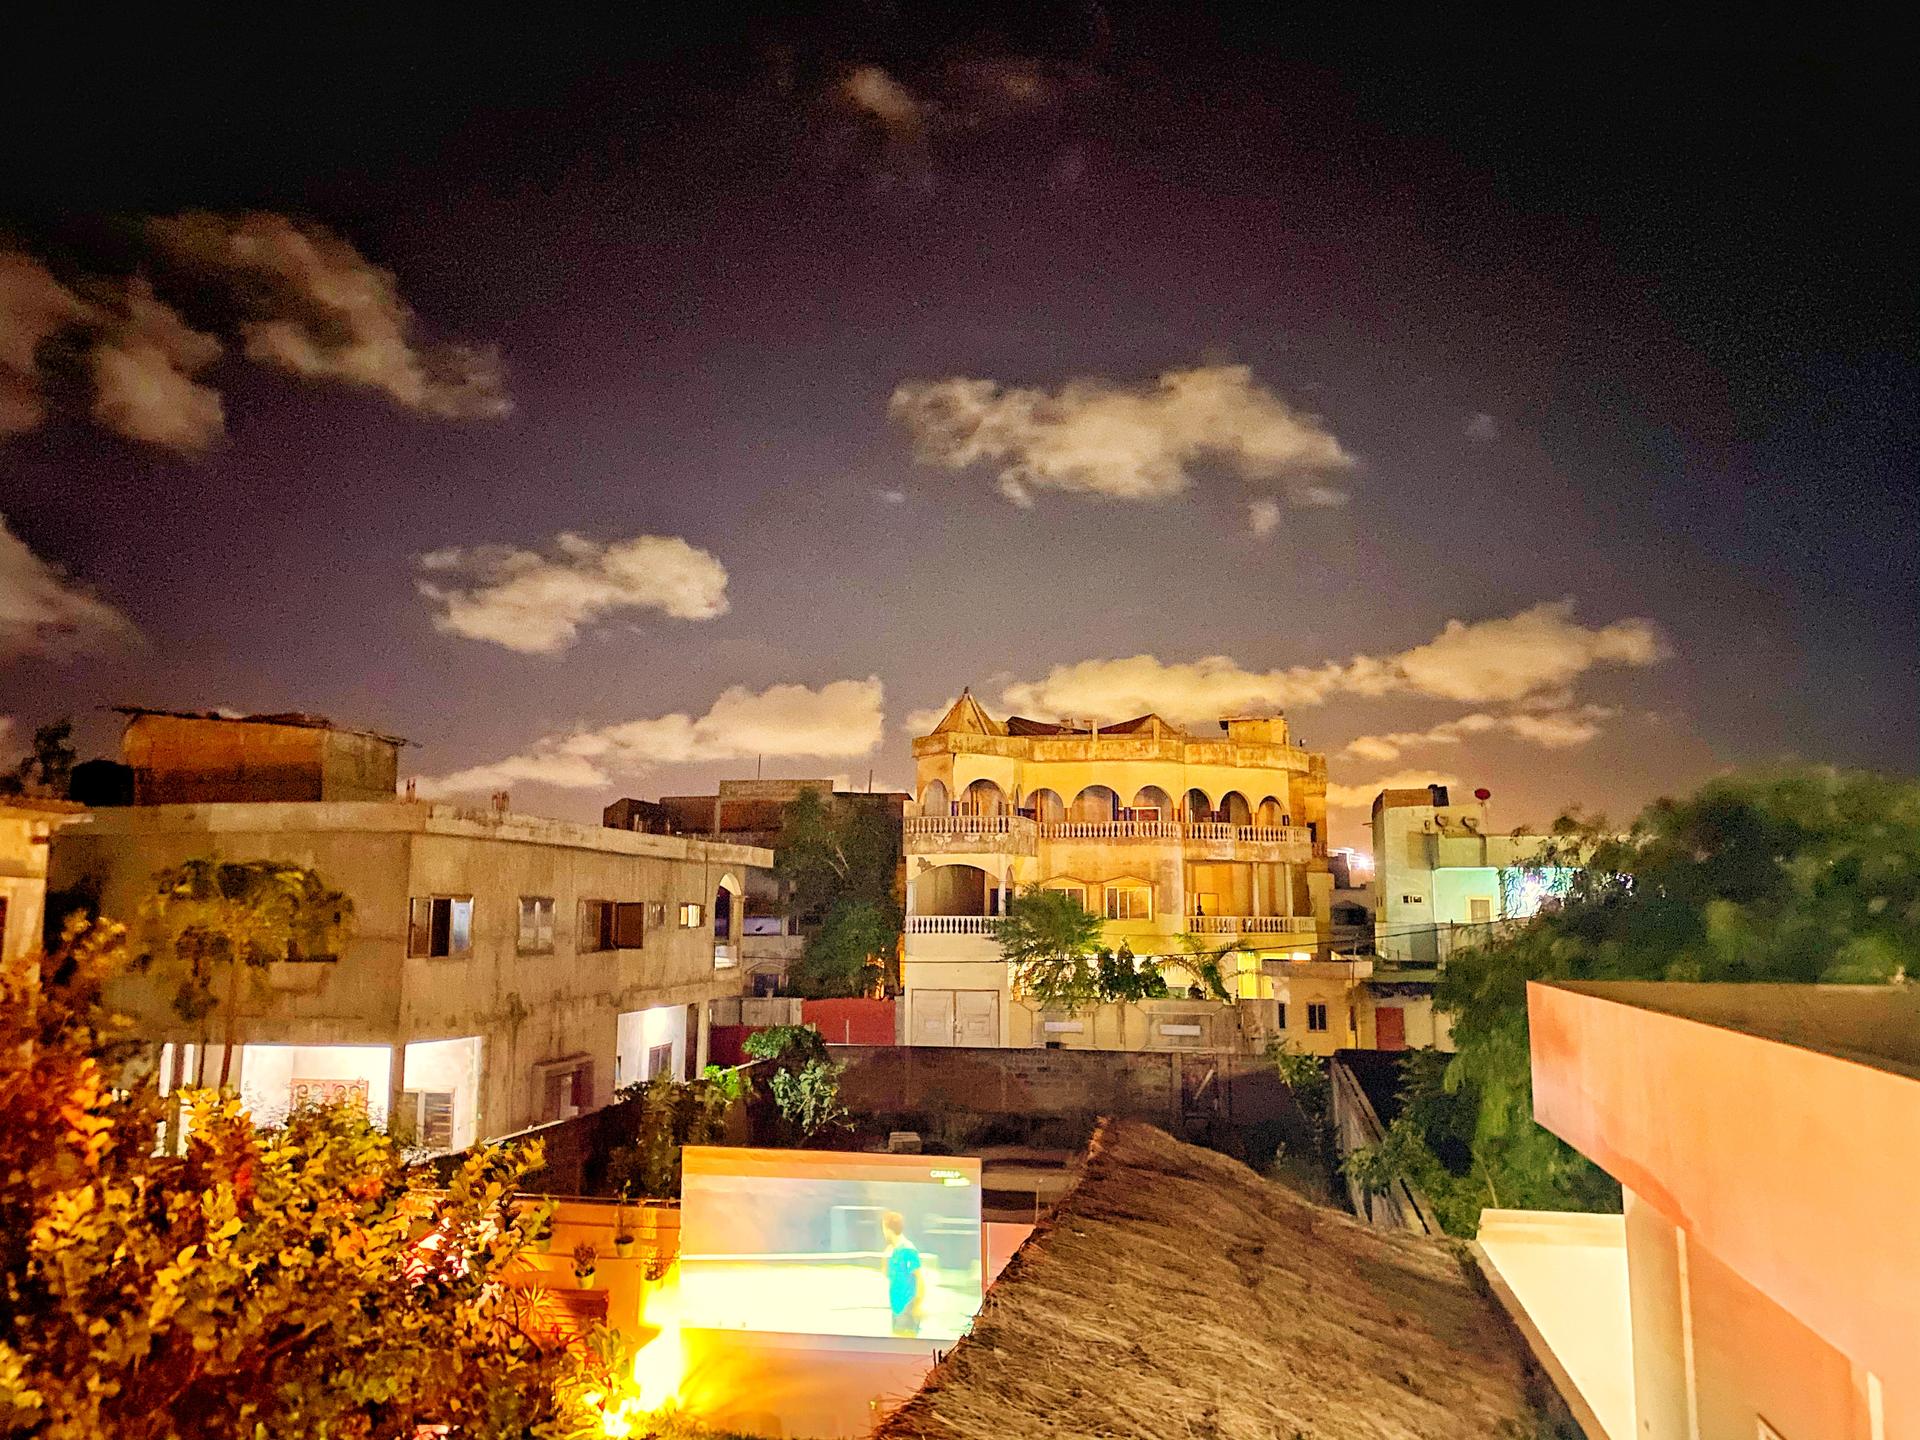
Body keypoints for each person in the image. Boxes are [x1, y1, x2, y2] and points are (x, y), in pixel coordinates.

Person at [880, 1210, 924, 1337]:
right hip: (896, 1306)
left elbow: (919, 1279)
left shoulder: (908, 1250)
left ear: (887, 1228)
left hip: (907, 1306)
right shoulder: (893, 1251)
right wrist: (884, 1258)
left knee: (906, 1341)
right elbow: (888, 1275)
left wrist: (917, 1305)